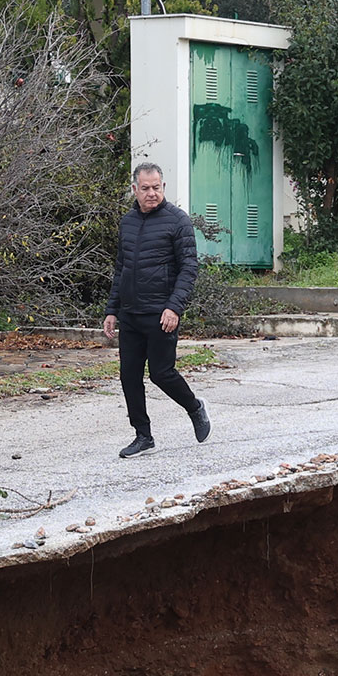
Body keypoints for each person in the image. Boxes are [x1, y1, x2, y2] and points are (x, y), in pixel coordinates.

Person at [103, 162, 210, 458]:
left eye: (157, 187)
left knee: (161, 374)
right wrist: (112, 310)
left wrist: (174, 307)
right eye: (146, 188)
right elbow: (121, 269)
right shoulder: (127, 222)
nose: (152, 193)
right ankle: (143, 436)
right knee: (129, 376)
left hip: (161, 313)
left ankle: (195, 407)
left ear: (163, 187)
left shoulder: (178, 221)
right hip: (131, 313)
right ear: (135, 189)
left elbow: (189, 268)